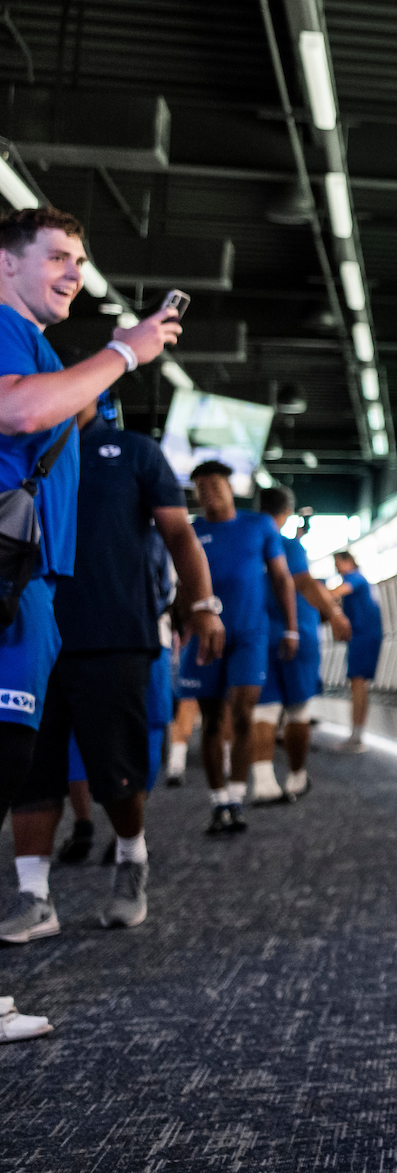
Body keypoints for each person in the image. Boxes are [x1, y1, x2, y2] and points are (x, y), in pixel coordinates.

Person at [0, 205, 180, 1033]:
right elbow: (21, 411)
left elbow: (55, 409)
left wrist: (125, 349)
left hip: (32, 587)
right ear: (6, 264)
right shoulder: (3, 329)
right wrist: (121, 351)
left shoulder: (33, 342)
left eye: (80, 258)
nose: (75, 271)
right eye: (59, 258)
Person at [6, 392, 213, 940]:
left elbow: (180, 536)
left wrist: (203, 605)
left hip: (113, 633)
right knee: (29, 771)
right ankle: (34, 897)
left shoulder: (133, 451)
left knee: (115, 771)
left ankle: (131, 858)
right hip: (27, 632)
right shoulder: (21, 446)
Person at [178, 460, 297, 838]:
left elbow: (281, 578)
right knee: (212, 719)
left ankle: (237, 796)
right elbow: (182, 587)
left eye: (214, 483)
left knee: (244, 712)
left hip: (250, 634)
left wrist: (291, 629)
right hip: (206, 635)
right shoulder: (191, 531)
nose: (208, 491)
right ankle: (218, 804)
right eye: (200, 486)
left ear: (231, 486)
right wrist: (185, 628)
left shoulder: (257, 525)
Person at [252, 488, 349, 803]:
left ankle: (264, 782)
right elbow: (303, 582)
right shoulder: (286, 545)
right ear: (287, 511)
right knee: (298, 710)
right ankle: (296, 778)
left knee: (264, 710)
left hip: (258, 635)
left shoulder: (250, 544)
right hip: (296, 635)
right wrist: (334, 614)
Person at [332, 550, 382, 753]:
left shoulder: (355, 579)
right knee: (358, 683)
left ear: (348, 561)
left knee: (358, 682)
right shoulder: (360, 580)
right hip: (361, 635)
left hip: (364, 636)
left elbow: (336, 593)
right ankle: (356, 733)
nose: (336, 568)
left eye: (337, 563)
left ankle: (357, 735)